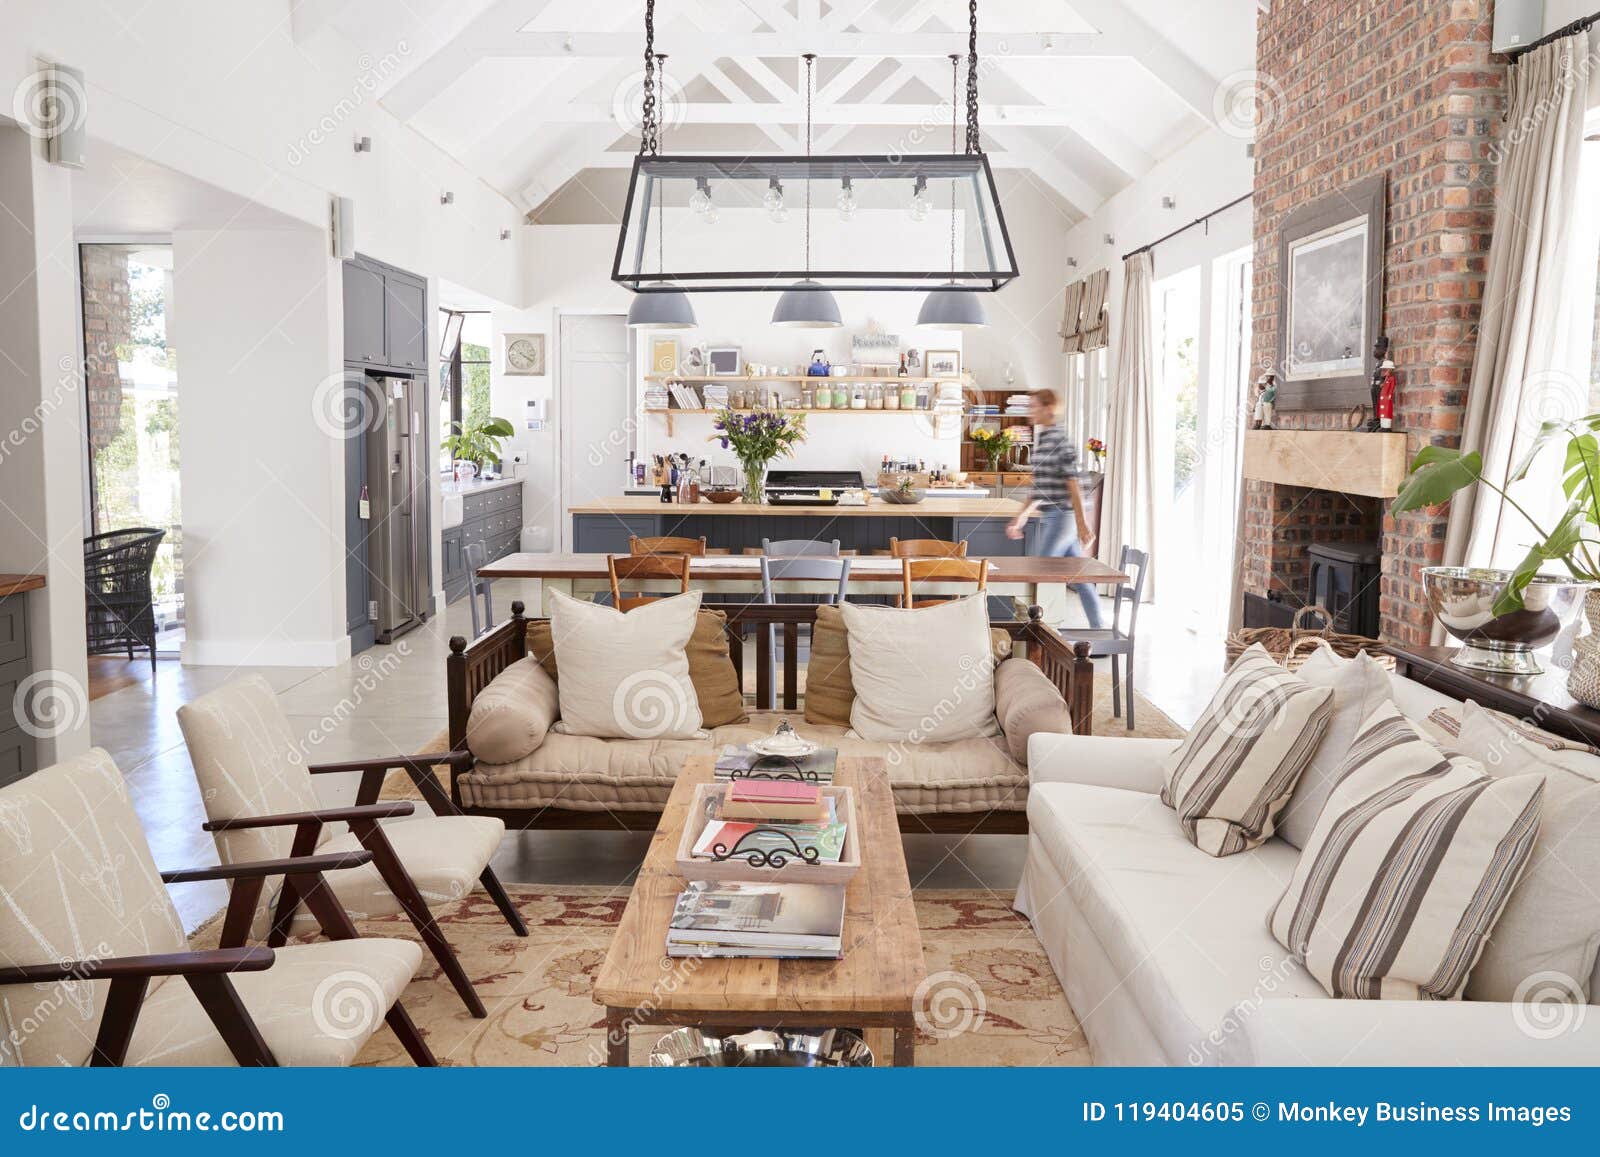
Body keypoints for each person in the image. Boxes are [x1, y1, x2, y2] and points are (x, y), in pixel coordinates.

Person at [1005, 388, 1106, 629]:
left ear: (1048, 408)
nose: (1029, 410)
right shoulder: (1044, 438)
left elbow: (1073, 484)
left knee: (1041, 571)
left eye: (1033, 406)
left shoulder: (1058, 439)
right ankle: (1098, 629)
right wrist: (1020, 517)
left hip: (1063, 516)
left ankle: (1039, 631)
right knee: (1080, 576)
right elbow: (1040, 486)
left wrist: (1082, 525)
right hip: (1056, 515)